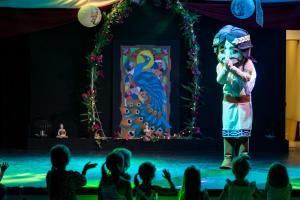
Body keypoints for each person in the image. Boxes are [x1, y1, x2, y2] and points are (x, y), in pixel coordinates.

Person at [212, 25, 257, 169]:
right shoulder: (221, 65)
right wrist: (227, 68)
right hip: (229, 102)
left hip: (243, 102)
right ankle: (228, 157)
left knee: (243, 131)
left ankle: (243, 156)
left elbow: (247, 79)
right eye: (223, 50)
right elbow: (220, 80)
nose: (228, 54)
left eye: (234, 50)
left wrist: (234, 69)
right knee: (228, 130)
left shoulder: (248, 64)